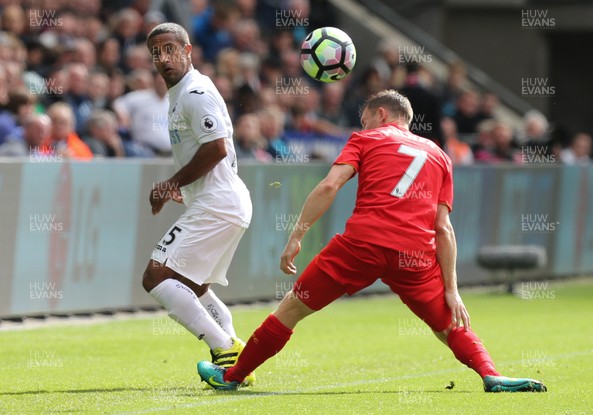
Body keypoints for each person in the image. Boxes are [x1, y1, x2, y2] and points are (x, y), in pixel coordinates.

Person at [198, 90, 547, 393]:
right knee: (447, 324)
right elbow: (444, 228)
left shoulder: (367, 139)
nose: (363, 127)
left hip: (361, 246)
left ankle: (233, 375)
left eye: (365, 120)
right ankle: (491, 373)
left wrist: (297, 235)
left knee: (292, 308)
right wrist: (451, 288)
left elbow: (329, 186)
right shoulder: (439, 154)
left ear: (381, 115)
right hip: (415, 255)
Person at [142, 22, 255, 387]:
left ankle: (224, 351)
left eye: (170, 48)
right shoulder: (179, 94)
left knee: (156, 276)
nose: (163, 57)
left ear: (188, 51)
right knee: (195, 285)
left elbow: (216, 147)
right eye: (156, 52)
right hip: (221, 201)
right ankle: (237, 356)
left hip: (219, 203)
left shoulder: (194, 92)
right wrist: (184, 187)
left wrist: (171, 184)